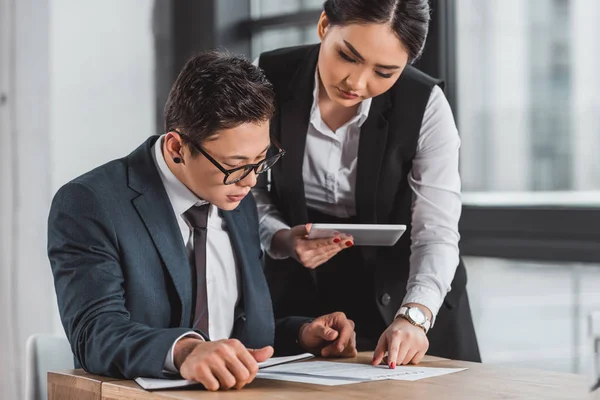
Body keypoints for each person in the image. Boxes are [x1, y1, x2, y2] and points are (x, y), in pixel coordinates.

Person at [48, 50, 357, 392]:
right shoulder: (91, 203)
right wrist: (186, 351)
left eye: (261, 160)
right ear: (177, 147)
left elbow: (235, 333)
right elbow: (96, 334)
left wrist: (302, 334)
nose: (252, 180)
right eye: (236, 164)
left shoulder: (238, 199)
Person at [253, 0, 481, 367]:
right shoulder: (268, 78)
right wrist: (280, 237)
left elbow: (436, 231)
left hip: (410, 293)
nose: (356, 83)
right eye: (347, 56)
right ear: (325, 25)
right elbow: (247, 187)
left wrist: (415, 316)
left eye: (385, 72)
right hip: (303, 299)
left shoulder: (426, 105)